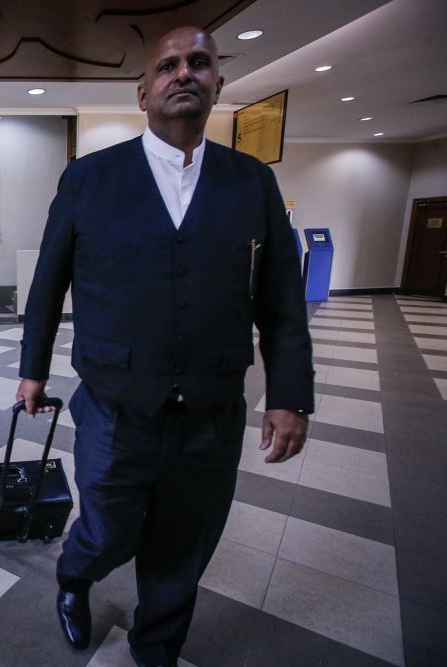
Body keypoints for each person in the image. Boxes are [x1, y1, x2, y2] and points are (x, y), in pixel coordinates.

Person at [16, 27, 314, 665]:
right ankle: (75, 578)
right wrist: (32, 370)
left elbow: (284, 302)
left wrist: (290, 394)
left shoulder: (250, 182)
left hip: (210, 411)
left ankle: (156, 649)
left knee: (185, 545)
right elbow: (48, 283)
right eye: (169, 65)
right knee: (105, 530)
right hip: (116, 406)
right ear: (144, 90)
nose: (185, 73)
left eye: (199, 64)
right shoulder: (90, 179)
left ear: (217, 85)